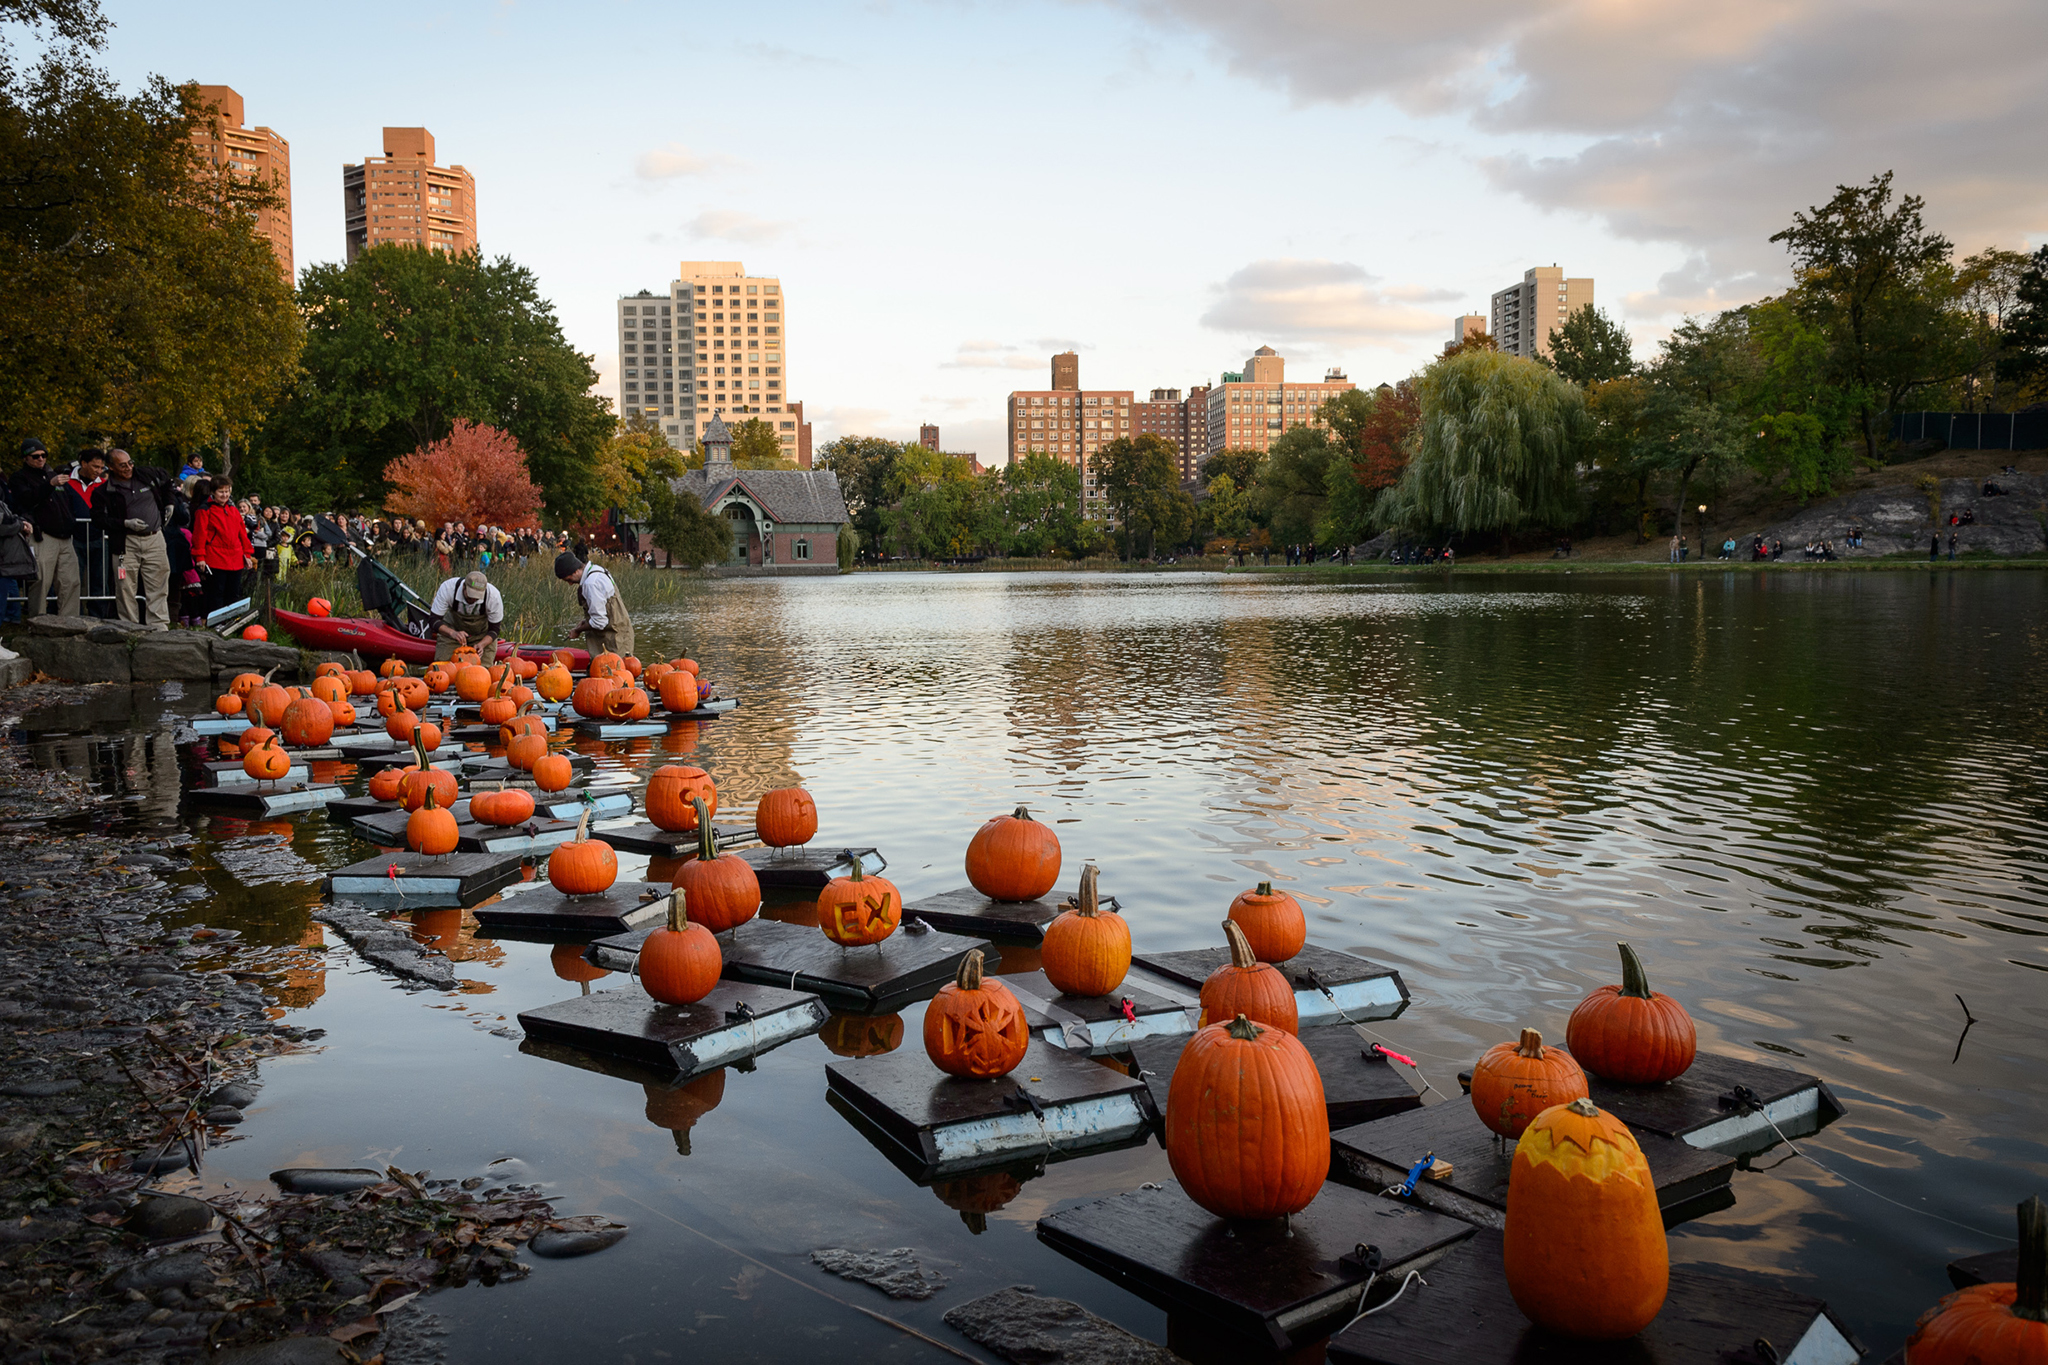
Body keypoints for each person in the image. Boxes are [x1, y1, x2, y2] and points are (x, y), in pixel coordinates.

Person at [95, 449, 175, 628]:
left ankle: (159, 625)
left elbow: (167, 481)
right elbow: (98, 519)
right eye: (122, 465)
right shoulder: (104, 491)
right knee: (125, 586)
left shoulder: (146, 474)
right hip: (125, 542)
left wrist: (170, 503)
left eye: (130, 462)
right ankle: (130, 626)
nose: (128, 468)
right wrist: (124, 523)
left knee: (159, 582)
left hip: (154, 537)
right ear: (111, 467)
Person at [9, 439, 79, 618]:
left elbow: (68, 502)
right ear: (25, 458)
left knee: (70, 582)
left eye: (44, 455)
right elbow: (26, 499)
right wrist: (50, 485)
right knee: (40, 582)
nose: (41, 459)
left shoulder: (50, 474)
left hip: (65, 537)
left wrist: (71, 521)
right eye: (36, 456)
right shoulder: (20, 477)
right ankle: (37, 621)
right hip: (42, 536)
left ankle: (69, 623)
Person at [191, 477, 253, 619]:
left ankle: (231, 621)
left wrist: (247, 554)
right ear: (213, 492)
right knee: (216, 593)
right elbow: (199, 534)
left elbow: (242, 533)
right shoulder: (205, 509)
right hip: (216, 558)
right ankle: (216, 623)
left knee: (233, 593)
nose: (225, 495)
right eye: (221, 492)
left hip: (236, 558)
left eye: (227, 491)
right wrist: (200, 556)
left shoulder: (233, 510)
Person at [556, 551, 632, 658]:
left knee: (614, 673)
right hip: (622, 635)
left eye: (569, 579)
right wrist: (584, 623)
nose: (570, 584)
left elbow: (600, 622)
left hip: (613, 642)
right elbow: (603, 610)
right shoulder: (597, 570)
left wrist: (578, 630)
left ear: (576, 570)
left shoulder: (591, 584)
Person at [429, 569, 504, 661]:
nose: (473, 599)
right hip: (451, 633)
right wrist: (452, 633)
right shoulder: (448, 588)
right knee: (444, 666)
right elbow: (433, 620)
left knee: (482, 671)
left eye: (477, 597)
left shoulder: (493, 596)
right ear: (464, 586)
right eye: (470, 595)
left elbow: (494, 630)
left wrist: (482, 644)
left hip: (482, 635)